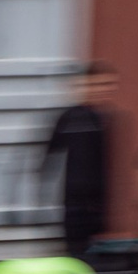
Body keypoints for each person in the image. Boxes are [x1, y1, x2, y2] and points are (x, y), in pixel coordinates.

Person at [44, 63, 119, 263]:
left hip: (98, 206)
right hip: (75, 205)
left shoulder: (108, 119)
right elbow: (49, 159)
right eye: (99, 84)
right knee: (77, 259)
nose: (105, 90)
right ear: (85, 86)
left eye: (110, 85)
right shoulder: (69, 118)